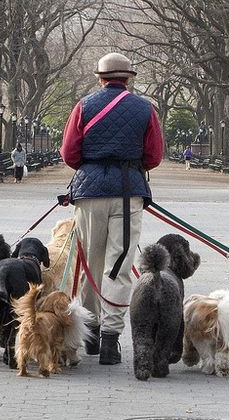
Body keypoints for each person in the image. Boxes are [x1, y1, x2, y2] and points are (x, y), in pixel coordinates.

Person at [61, 52, 163, 365]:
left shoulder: (83, 106)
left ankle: (89, 334)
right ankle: (110, 341)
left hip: (89, 191)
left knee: (89, 265)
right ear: (128, 78)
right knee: (119, 266)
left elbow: (69, 153)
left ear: (100, 78)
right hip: (128, 192)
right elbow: (154, 156)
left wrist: (92, 167)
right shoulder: (145, 109)